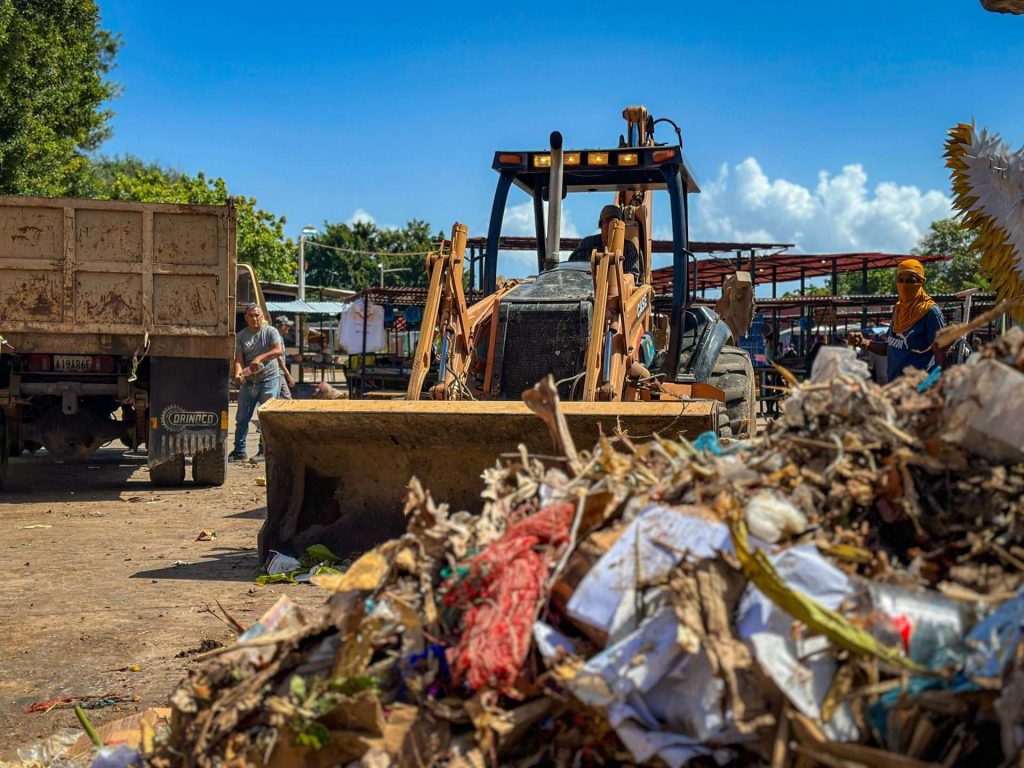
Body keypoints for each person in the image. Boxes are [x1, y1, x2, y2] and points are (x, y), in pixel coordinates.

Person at [849, 259, 945, 380]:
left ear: (921, 282)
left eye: (911, 280)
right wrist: (862, 342)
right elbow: (890, 347)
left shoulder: (930, 312)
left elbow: (940, 354)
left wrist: (934, 385)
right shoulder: (898, 309)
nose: (904, 284)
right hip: (895, 386)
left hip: (919, 389)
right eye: (900, 280)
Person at [229, 304, 283, 462]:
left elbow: (278, 350)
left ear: (262, 316)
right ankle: (239, 451)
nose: (254, 319)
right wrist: (238, 373)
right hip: (250, 382)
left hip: (269, 380)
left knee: (265, 417)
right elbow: (238, 359)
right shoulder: (241, 336)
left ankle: (264, 451)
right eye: (251, 315)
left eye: (257, 315)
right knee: (242, 417)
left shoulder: (270, 331)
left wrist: (260, 358)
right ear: (246, 318)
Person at [568, 205, 641, 280]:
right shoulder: (587, 244)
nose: (608, 225)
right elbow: (572, 269)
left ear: (620, 226)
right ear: (601, 225)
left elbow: (632, 276)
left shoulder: (628, 248)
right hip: (588, 287)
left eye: (612, 221)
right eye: (605, 222)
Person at [274, 316, 298, 399]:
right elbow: (278, 358)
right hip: (276, 373)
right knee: (275, 398)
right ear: (282, 326)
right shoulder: (276, 338)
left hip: (280, 373)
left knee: (287, 397)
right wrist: (288, 375)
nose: (288, 328)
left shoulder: (279, 337)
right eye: (287, 326)